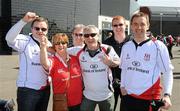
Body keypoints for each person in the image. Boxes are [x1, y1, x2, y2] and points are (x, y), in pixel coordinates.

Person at [120, 12, 173, 111]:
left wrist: (167, 94)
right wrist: (122, 86)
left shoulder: (158, 46)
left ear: (148, 26)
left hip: (149, 98)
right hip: (128, 97)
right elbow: (124, 68)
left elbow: (167, 71)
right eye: (135, 24)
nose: (139, 27)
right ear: (131, 26)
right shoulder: (126, 46)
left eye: (142, 24)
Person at [68, 25, 120, 111]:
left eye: (93, 35)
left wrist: (110, 63)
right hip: (88, 96)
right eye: (86, 35)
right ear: (84, 38)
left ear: (98, 35)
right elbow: (59, 49)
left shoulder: (107, 49)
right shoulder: (78, 51)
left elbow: (118, 62)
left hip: (106, 95)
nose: (90, 38)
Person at [5, 12, 51, 111]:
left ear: (47, 30)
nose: (40, 31)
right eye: (37, 28)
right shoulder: (24, 40)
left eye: (43, 29)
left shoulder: (49, 44)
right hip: (28, 91)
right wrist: (23, 21)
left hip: (45, 89)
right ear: (32, 29)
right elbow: (9, 38)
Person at [40, 33, 83, 111]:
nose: (60, 45)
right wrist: (43, 47)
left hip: (79, 101)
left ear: (67, 44)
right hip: (62, 103)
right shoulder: (53, 60)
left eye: (63, 43)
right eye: (57, 43)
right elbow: (45, 64)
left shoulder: (75, 58)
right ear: (54, 46)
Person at [103, 15, 132, 111]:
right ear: (112, 27)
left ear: (125, 26)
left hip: (129, 82)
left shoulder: (132, 41)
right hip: (111, 83)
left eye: (120, 24)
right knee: (110, 109)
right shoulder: (106, 43)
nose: (118, 27)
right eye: (115, 25)